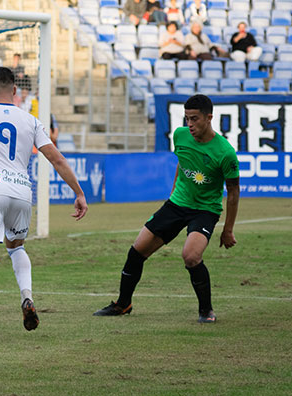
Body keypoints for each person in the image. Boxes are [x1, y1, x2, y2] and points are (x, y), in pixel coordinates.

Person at [0, 67, 88, 342]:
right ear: (14, 90)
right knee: (16, 247)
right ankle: (27, 298)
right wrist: (79, 192)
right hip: (22, 191)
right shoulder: (31, 121)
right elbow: (57, 159)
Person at [93, 94, 239, 324]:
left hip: (205, 210)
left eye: (195, 119)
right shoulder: (180, 135)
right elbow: (183, 164)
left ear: (209, 118)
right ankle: (123, 304)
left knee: (191, 257)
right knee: (136, 252)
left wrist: (228, 229)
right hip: (177, 204)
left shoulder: (226, 153)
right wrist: (173, 194)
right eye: (186, 119)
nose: (189, 124)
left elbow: (233, 192)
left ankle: (206, 310)